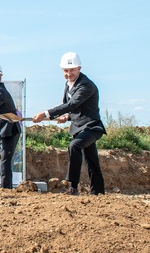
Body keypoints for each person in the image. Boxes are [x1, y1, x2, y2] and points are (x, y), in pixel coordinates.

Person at [32, 52, 106, 195]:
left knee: (75, 145)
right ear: (62, 70)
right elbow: (73, 108)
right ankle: (98, 193)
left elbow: (73, 104)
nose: (69, 73)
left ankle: (73, 188)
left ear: (79, 68)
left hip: (92, 126)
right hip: (80, 127)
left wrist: (46, 113)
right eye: (66, 70)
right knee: (92, 161)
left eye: (72, 70)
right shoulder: (68, 84)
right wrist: (67, 116)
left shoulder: (86, 85)